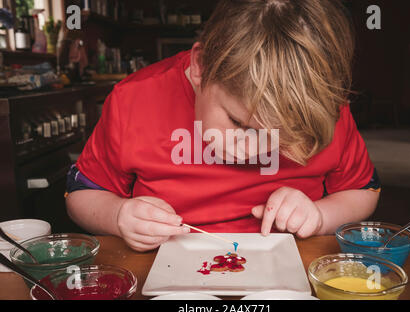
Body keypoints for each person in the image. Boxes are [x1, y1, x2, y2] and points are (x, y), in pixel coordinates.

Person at [66, 0, 380, 252]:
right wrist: (118, 216)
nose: (254, 150)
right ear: (201, 66)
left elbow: (363, 191)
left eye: (282, 135)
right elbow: (80, 196)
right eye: (238, 123)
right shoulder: (133, 99)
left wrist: (321, 215)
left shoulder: (323, 106)